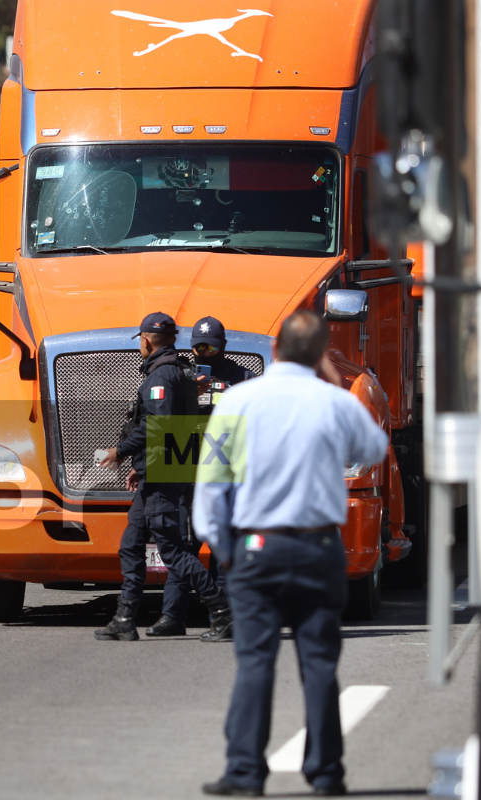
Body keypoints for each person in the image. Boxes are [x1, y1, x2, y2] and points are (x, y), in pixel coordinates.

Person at [195, 311, 388, 798]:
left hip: (256, 547)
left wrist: (225, 548)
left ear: (275, 350)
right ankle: (326, 773)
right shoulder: (335, 403)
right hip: (319, 546)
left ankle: (244, 771)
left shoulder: (238, 401)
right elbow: (375, 447)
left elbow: (212, 488)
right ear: (322, 354)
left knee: (256, 659)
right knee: (319, 662)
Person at [93, 312, 229, 641]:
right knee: (131, 543)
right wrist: (140, 468)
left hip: (164, 473)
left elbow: (159, 427)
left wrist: (121, 452)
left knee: (172, 549)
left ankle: (222, 611)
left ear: (145, 339)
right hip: (158, 470)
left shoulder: (161, 376)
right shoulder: (181, 371)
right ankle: (125, 618)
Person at [189, 315, 259, 642]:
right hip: (189, 468)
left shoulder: (243, 377)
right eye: (198, 347)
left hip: (230, 471)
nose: (204, 353)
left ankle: (229, 618)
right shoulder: (180, 376)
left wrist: (230, 391)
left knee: (226, 545)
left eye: (210, 346)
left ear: (223, 346)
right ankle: (189, 614)